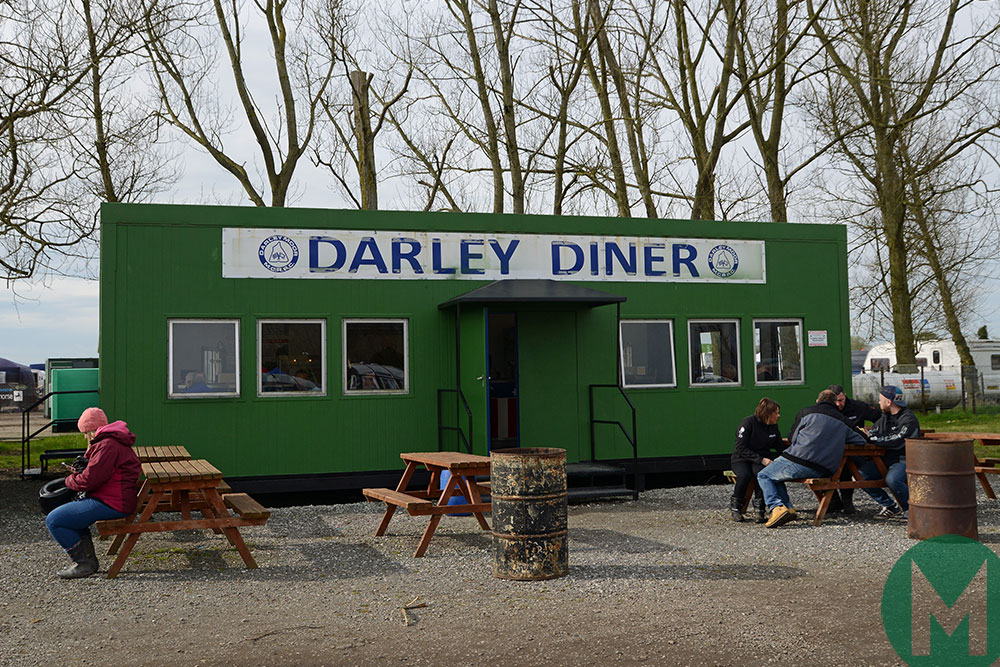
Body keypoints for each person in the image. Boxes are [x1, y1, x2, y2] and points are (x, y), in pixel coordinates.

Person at [45, 408, 142, 578]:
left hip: (113, 502)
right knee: (72, 518)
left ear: (91, 429)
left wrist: (68, 480)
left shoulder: (106, 445)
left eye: (84, 432)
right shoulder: (110, 442)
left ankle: (84, 563)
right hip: (114, 498)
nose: (84, 437)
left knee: (55, 520)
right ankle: (87, 562)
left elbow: (89, 480)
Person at [757, 389, 868, 528]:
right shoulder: (844, 421)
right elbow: (862, 440)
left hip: (799, 460)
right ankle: (788, 509)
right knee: (775, 475)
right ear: (835, 403)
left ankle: (776, 507)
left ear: (818, 401)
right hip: (824, 469)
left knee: (764, 475)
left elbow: (792, 438)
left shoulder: (806, 413)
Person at [858, 385, 920, 518]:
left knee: (893, 480)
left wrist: (872, 438)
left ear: (889, 401)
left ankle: (912, 510)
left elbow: (897, 440)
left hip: (905, 458)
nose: (879, 403)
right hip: (885, 459)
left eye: (881, 400)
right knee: (860, 476)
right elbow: (873, 432)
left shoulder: (908, 419)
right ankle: (890, 506)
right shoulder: (884, 418)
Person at [826, 383, 881, 514]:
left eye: (841, 400)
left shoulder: (858, 407)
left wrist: (873, 432)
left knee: (848, 467)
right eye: (835, 401)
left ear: (845, 396)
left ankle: (847, 501)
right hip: (832, 450)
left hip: (855, 449)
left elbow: (879, 417)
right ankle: (833, 502)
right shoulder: (826, 409)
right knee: (824, 468)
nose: (838, 404)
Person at [728, 398, 784, 523]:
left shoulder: (773, 427)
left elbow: (779, 446)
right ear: (768, 414)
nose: (778, 416)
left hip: (761, 459)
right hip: (742, 458)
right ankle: (736, 507)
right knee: (744, 475)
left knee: (762, 474)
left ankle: (760, 509)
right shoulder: (748, 423)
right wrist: (760, 459)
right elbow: (740, 447)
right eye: (776, 413)